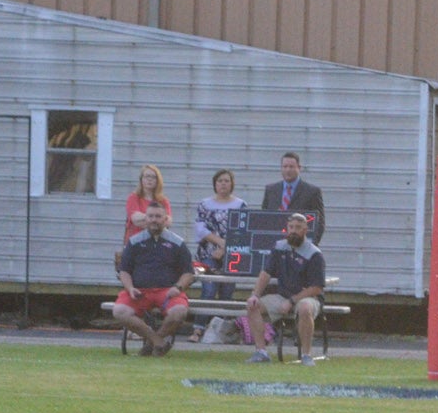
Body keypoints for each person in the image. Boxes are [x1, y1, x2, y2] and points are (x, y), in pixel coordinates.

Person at [113, 204, 195, 356]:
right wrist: (130, 288)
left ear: (165, 219)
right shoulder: (134, 242)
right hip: (139, 292)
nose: (154, 220)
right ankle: (158, 342)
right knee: (119, 311)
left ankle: (150, 344)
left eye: (158, 217)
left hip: (167, 291)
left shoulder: (177, 243)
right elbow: (124, 271)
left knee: (179, 312)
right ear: (146, 219)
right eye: (150, 216)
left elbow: (188, 273)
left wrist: (178, 287)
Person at [245, 212, 326, 364]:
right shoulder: (279, 247)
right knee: (252, 306)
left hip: (307, 297)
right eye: (291, 227)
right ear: (287, 228)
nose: (294, 230)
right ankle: (261, 352)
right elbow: (266, 273)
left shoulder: (314, 254)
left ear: (305, 230)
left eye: (298, 227)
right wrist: (255, 295)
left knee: (304, 309)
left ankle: (306, 355)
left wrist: (292, 300)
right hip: (282, 296)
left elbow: (316, 288)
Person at [195, 168, 248, 305]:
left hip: (232, 257)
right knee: (209, 290)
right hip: (208, 254)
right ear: (215, 184)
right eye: (220, 181)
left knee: (227, 292)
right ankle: (199, 325)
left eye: (226, 181)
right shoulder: (204, 204)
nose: (223, 184)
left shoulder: (240, 205)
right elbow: (200, 229)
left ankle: (222, 324)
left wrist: (225, 248)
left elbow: (243, 232)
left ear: (232, 184)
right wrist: (220, 242)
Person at [261, 152, 325, 243]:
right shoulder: (271, 190)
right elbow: (264, 218)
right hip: (275, 243)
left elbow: (319, 223)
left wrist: (311, 245)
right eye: (285, 166)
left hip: (301, 243)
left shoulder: (312, 192)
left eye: (291, 167)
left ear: (299, 168)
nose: (288, 170)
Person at [124, 163, 171, 242]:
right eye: (147, 176)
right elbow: (135, 220)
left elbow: (168, 222)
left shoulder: (163, 200)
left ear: (158, 180)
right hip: (135, 244)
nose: (150, 179)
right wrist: (157, 220)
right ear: (141, 179)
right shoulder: (133, 198)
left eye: (153, 177)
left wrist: (145, 219)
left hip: (157, 243)